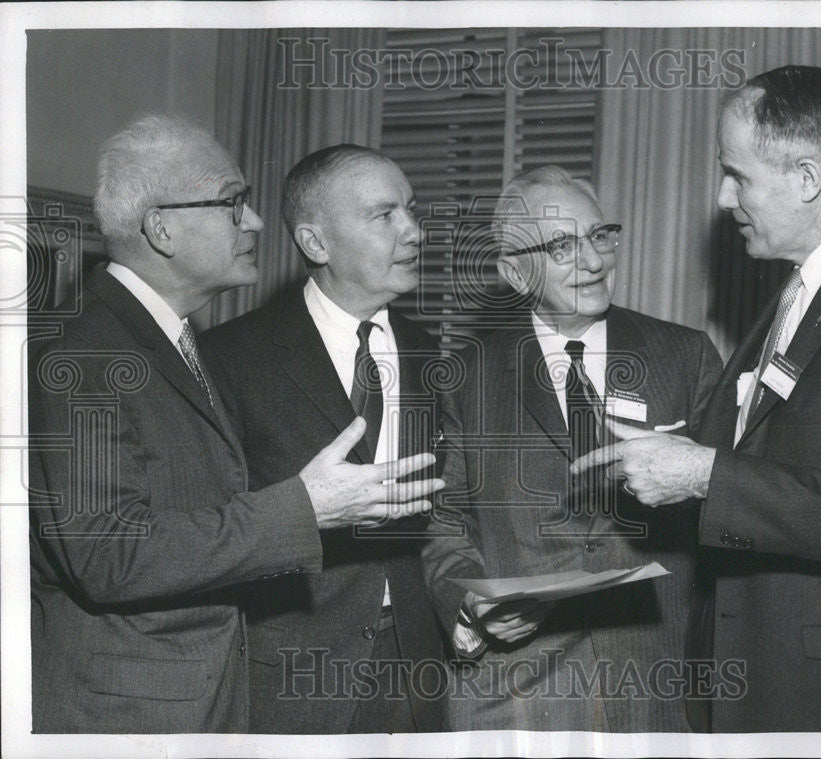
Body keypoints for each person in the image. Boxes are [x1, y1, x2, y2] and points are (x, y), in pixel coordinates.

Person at [573, 66, 821, 732]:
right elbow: (773, 461)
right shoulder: (794, 293)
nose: (725, 198)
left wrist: (703, 471)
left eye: (739, 175)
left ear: (808, 178)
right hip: (759, 682)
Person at [28, 118, 442, 733]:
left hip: (204, 700)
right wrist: (305, 509)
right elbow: (107, 555)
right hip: (127, 714)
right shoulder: (82, 350)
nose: (251, 222)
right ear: (161, 228)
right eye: (231, 203)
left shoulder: (174, 341)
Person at [420, 166, 723, 732]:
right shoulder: (465, 377)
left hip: (657, 686)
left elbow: (730, 502)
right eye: (562, 245)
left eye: (600, 235)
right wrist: (473, 606)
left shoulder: (686, 355)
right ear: (514, 272)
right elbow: (444, 521)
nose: (593, 260)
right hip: (516, 694)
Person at [201, 145, 446, 733]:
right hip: (292, 673)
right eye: (384, 215)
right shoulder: (227, 359)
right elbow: (209, 526)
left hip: (420, 665)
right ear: (316, 243)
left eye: (411, 210)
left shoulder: (434, 353)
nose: (413, 231)